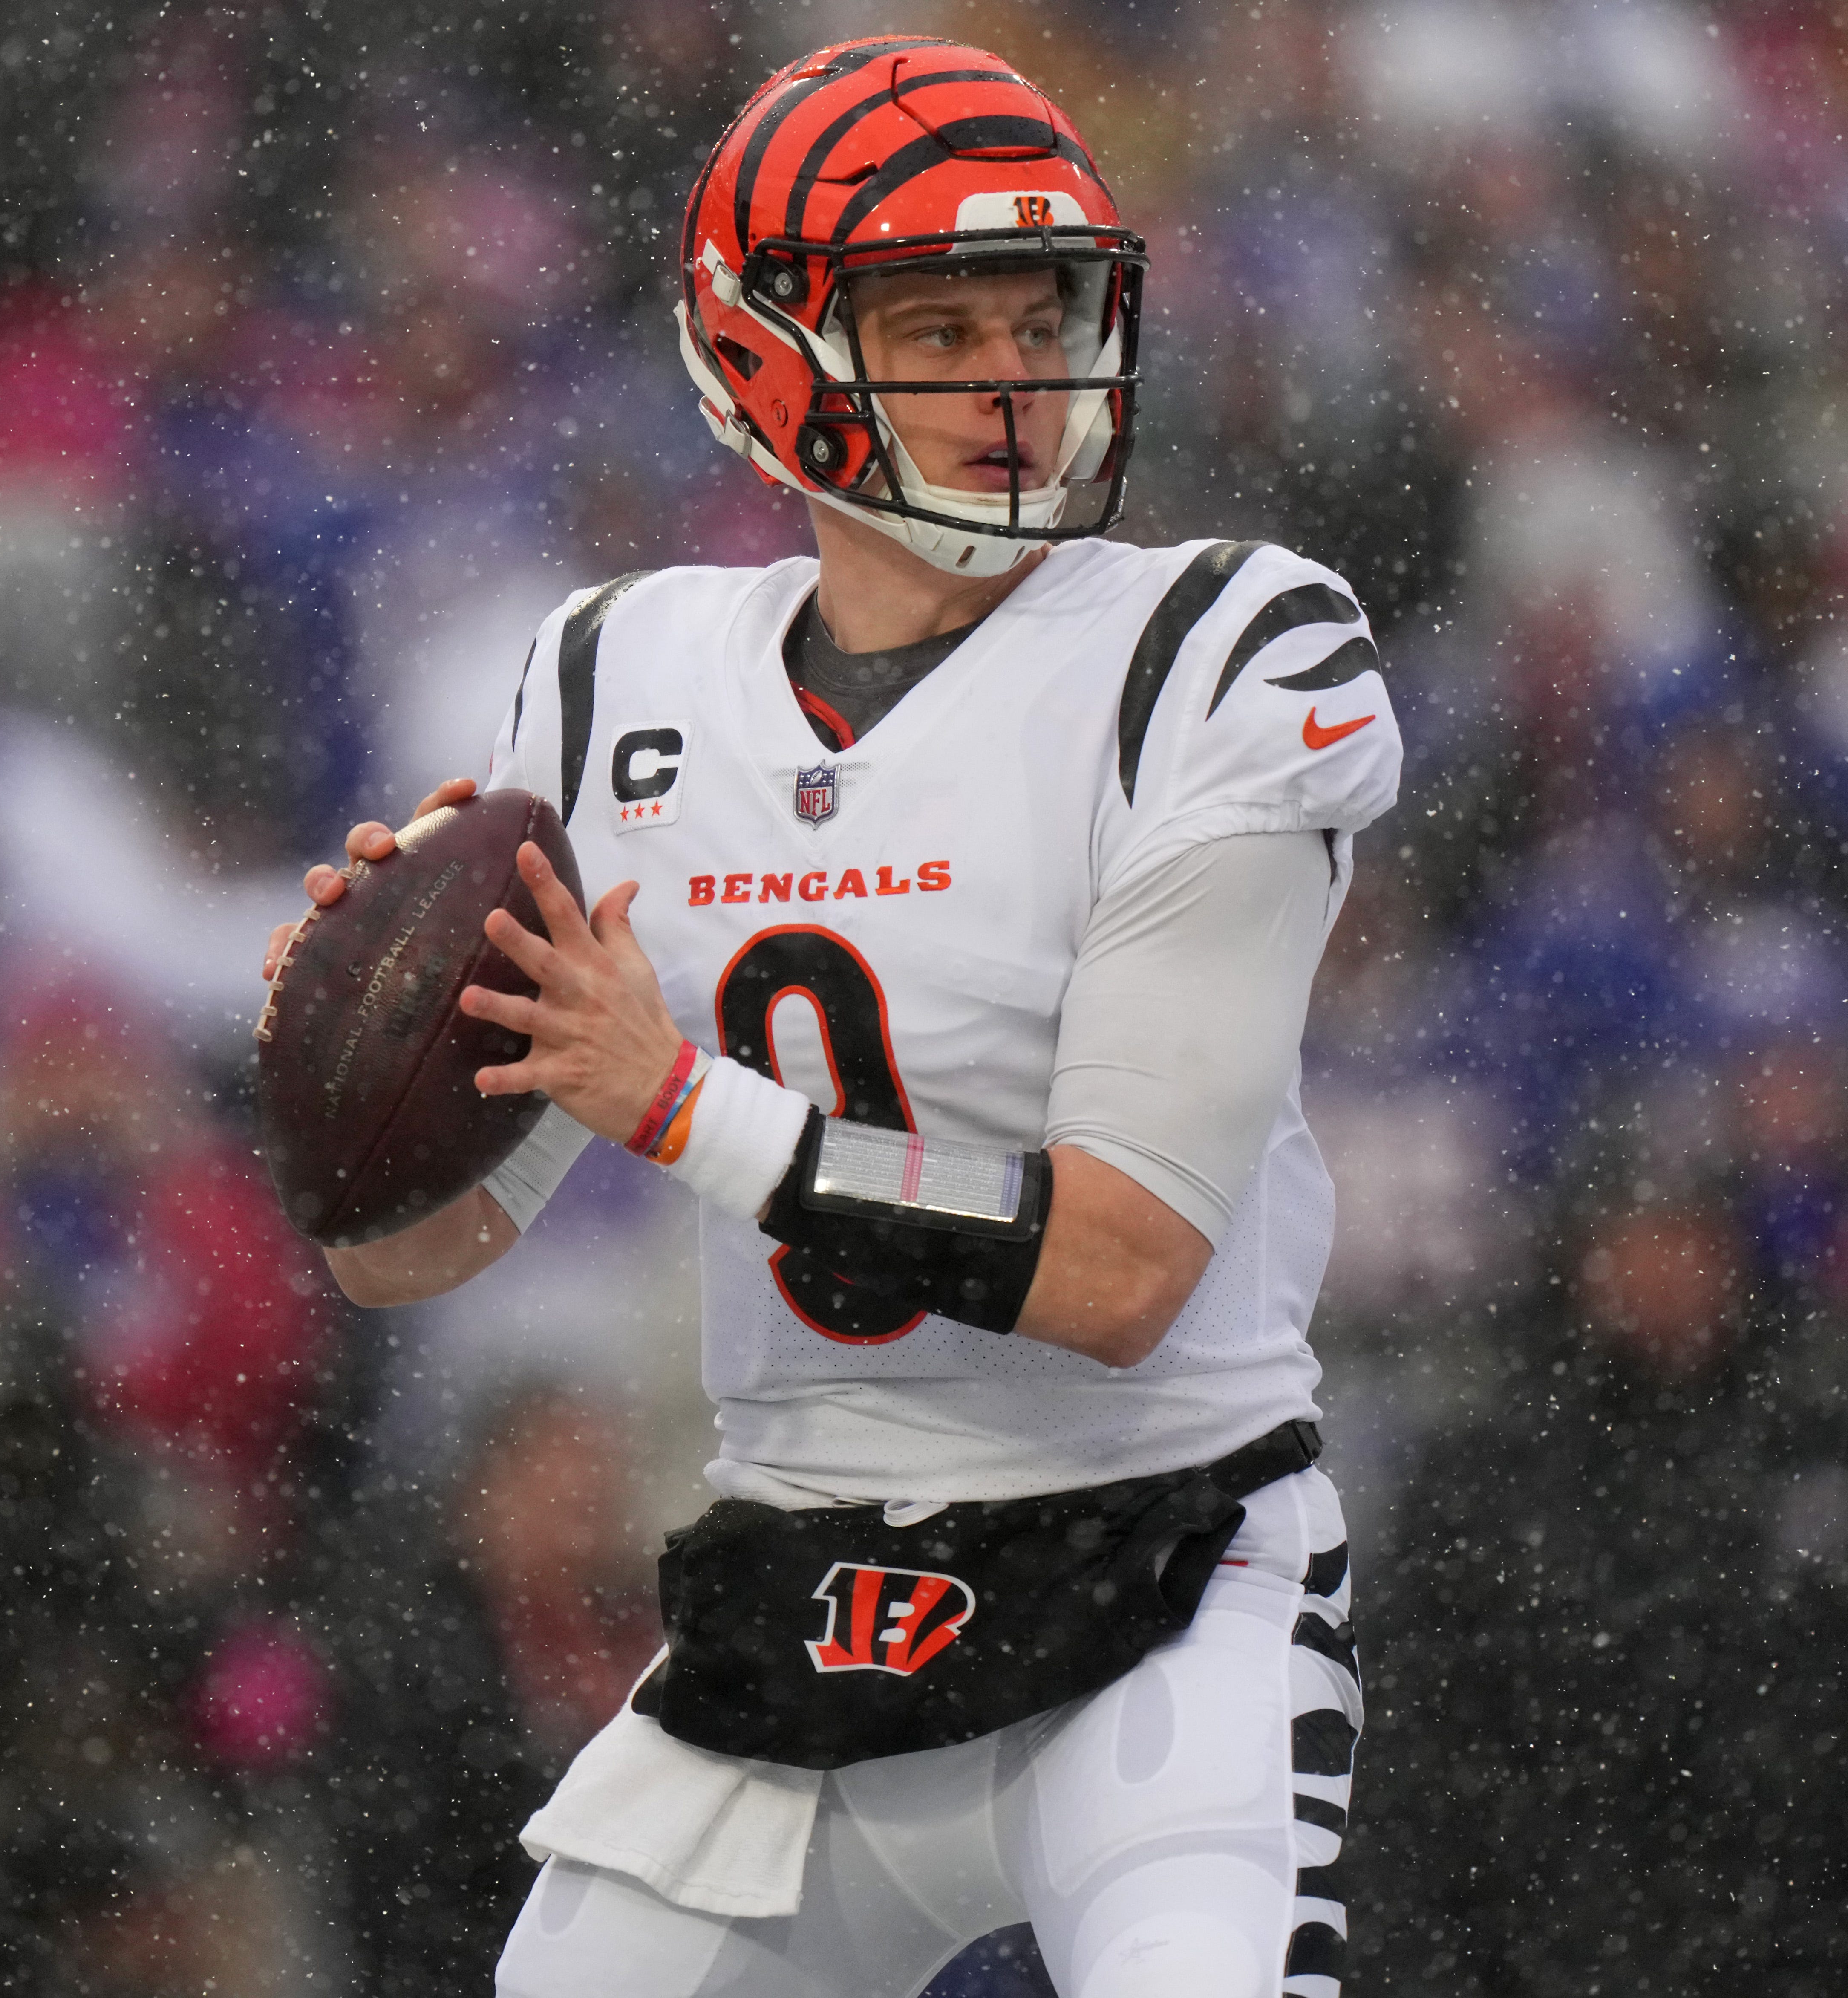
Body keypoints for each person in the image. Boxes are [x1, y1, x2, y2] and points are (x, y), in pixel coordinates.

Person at [260, 38, 1401, 1998]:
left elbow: (1124, 1265)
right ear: (769, 356)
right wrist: (333, 1060)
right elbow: (417, 1249)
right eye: (934, 321)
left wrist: (683, 1102)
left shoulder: (1216, 654)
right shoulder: (616, 673)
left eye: (1035, 311)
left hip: (1162, 1563)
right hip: (803, 1579)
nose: (1010, 376)